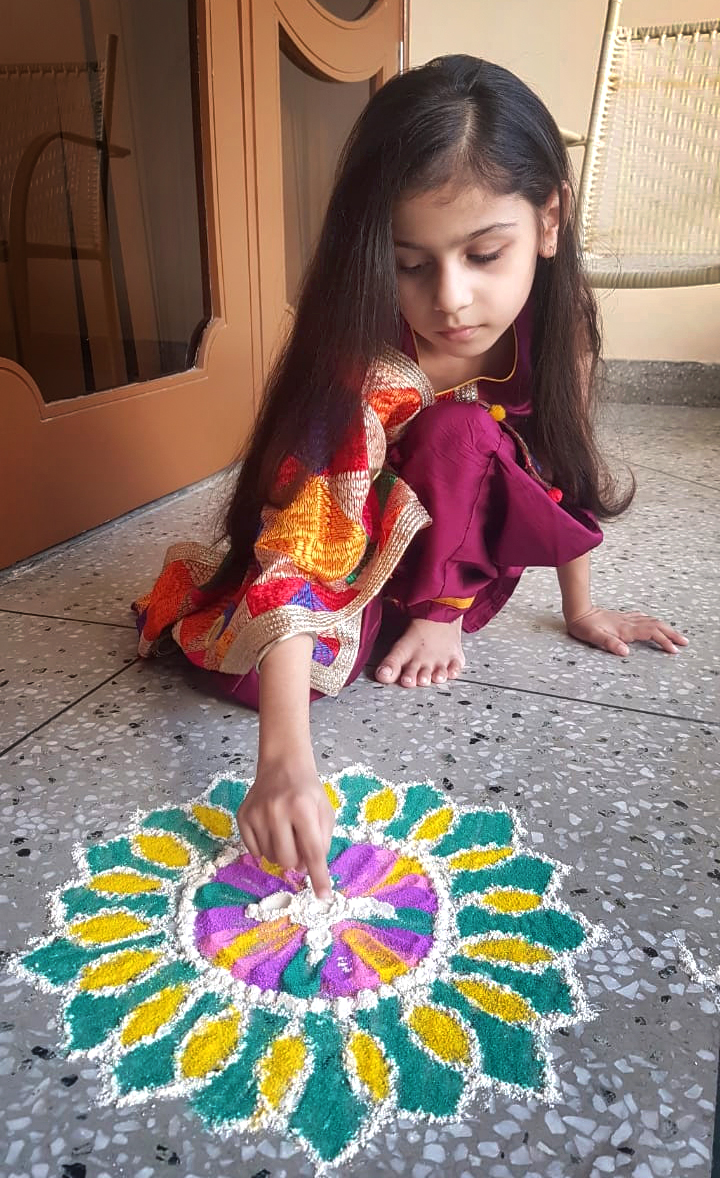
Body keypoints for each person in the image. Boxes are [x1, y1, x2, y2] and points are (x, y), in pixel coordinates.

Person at [133, 56, 687, 899]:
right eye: (411, 263)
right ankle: (394, 624)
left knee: (466, 430)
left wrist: (578, 606)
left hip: (461, 571)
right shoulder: (367, 361)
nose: (453, 300)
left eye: (484, 253)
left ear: (548, 220)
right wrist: (283, 762)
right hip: (349, 544)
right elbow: (308, 535)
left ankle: (436, 616)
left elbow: (563, 465)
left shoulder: (556, 328)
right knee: (256, 681)